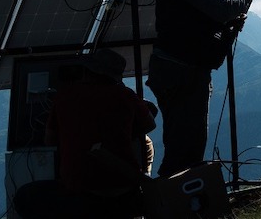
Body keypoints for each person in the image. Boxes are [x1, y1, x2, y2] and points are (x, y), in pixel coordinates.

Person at [146, 0, 261, 177]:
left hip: (175, 68)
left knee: (182, 144)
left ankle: (176, 202)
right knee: (185, 148)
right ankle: (174, 204)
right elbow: (222, 9)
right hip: (183, 71)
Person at [13, 49, 156, 219]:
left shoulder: (65, 96)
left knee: (24, 196)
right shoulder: (126, 96)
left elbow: (49, 140)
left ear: (88, 71)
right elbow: (150, 124)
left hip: (81, 191)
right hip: (124, 189)